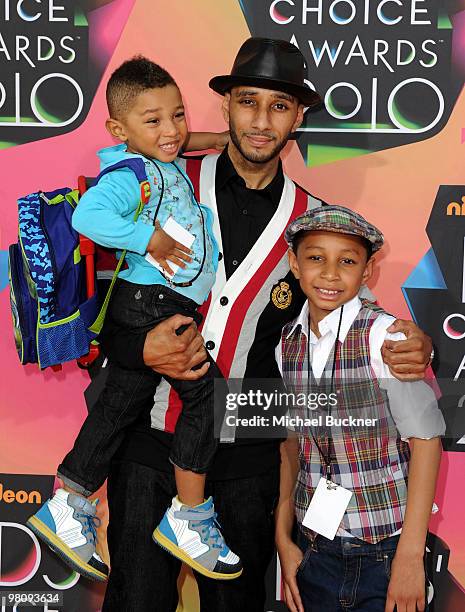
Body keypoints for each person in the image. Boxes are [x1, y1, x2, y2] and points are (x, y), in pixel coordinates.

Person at [98, 39, 434, 611]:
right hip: (147, 446)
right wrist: (139, 346)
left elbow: (355, 320)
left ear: (299, 117)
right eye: (247, 101)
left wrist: (414, 343)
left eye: (279, 106)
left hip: (246, 460)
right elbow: (109, 313)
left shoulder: (315, 228)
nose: (260, 121)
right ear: (225, 106)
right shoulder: (157, 183)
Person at [26, 56, 243, 582]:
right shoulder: (133, 172)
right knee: (207, 397)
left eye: (178, 115)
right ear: (119, 131)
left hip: (148, 302)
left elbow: (173, 142)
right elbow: (88, 215)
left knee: (117, 407)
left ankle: (69, 500)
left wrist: (210, 138)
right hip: (155, 304)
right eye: (154, 121)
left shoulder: (157, 156)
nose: (171, 130)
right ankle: (188, 519)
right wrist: (151, 239)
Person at [275, 206, 445, 612]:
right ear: (294, 264)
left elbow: (426, 441)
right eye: (316, 258)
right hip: (315, 546)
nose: (331, 273)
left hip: (384, 554)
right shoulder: (288, 343)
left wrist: (408, 558)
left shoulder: (383, 336)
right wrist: (283, 537)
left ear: (367, 271)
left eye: (347, 261)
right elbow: (291, 446)